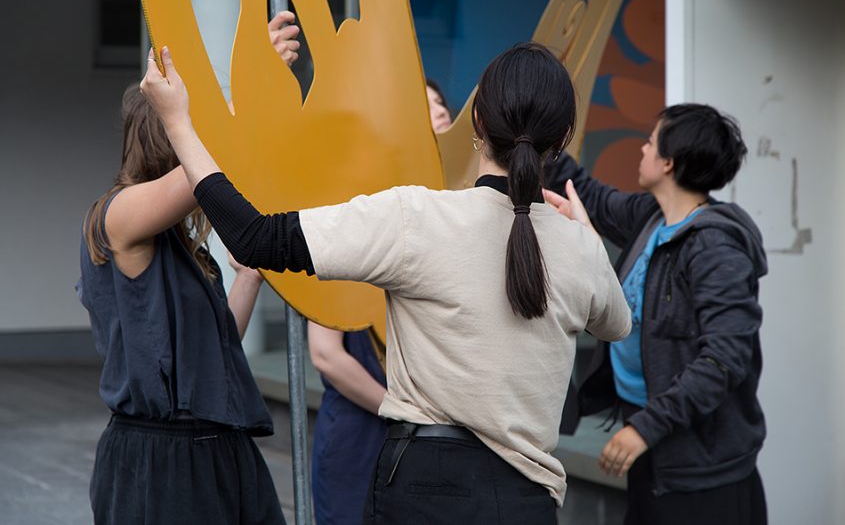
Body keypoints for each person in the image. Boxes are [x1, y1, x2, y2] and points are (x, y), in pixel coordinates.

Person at [141, 41, 631, 524]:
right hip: (528, 499)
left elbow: (255, 238)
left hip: (424, 486)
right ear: (562, 139)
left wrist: (179, 123)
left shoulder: (414, 218)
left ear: (477, 121)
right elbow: (618, 325)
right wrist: (582, 230)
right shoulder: (580, 248)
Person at [75, 16, 301, 525]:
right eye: (190, 124)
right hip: (161, 462)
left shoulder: (182, 242)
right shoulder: (116, 215)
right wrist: (254, 89)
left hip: (220, 449)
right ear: (164, 132)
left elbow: (218, 349)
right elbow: (209, 166)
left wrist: (248, 278)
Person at [546, 104, 767, 525]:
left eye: (650, 141)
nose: (642, 149)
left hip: (701, 471)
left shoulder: (716, 247)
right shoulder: (651, 217)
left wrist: (647, 426)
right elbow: (588, 192)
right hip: (650, 448)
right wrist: (541, 138)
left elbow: (725, 358)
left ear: (668, 162)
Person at [308, 77, 453, 525]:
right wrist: (401, 409)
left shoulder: (455, 213)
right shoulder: (354, 212)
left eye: (442, 102)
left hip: (434, 437)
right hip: (362, 434)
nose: (443, 111)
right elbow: (326, 355)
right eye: (427, 105)